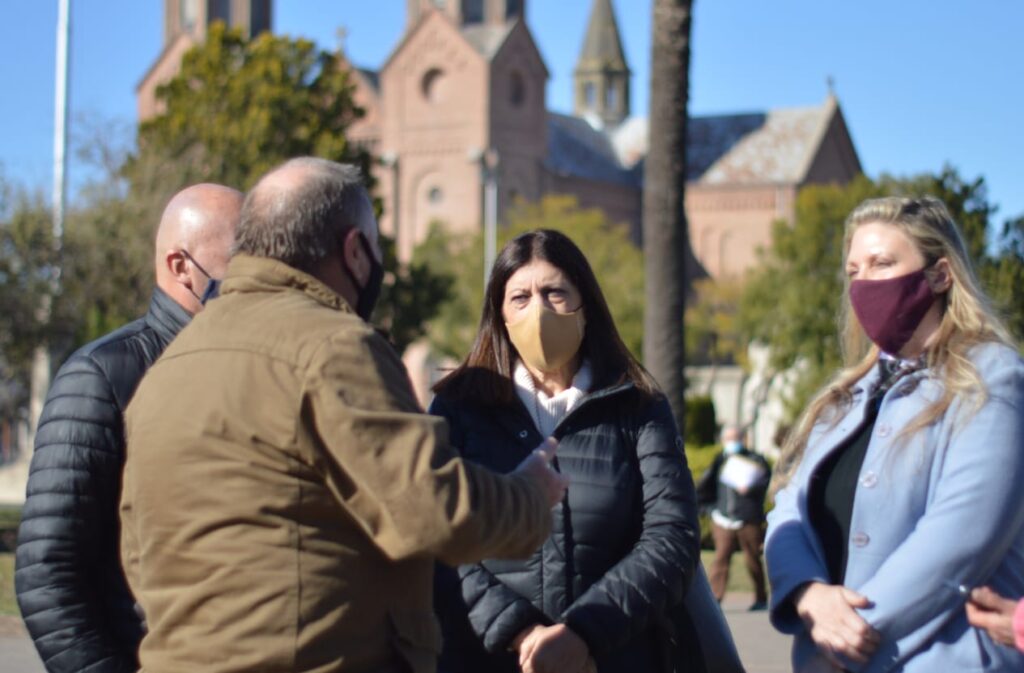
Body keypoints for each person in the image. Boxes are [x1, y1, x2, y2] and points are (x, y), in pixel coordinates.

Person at [118, 158, 567, 673]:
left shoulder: (168, 365)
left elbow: (139, 552)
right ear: (355, 252)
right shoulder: (334, 347)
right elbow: (431, 509)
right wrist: (531, 495)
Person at [764, 196, 1024, 672]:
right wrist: (808, 594)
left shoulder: (993, 376)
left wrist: (849, 638)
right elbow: (788, 511)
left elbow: (960, 538)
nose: (864, 283)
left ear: (940, 275)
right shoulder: (845, 396)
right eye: (854, 271)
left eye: (882, 264)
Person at [430, 229, 704, 673]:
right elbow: (436, 536)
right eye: (520, 297)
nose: (538, 310)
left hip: (615, 656)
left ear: (585, 305)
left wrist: (585, 633)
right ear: (498, 313)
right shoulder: (458, 408)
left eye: (555, 292)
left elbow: (672, 536)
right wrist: (521, 634)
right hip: (485, 657)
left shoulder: (637, 405)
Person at [15, 183, 242, 673]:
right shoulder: (100, 376)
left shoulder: (253, 371)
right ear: (181, 266)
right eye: (242, 255)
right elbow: (47, 571)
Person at [696, 424, 770, 609]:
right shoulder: (719, 460)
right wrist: (709, 509)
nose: (732, 442)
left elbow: (765, 482)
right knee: (721, 559)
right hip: (723, 519)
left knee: (753, 560)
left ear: (743, 439)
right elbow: (705, 487)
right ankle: (715, 599)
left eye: (735, 438)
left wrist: (751, 488)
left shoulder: (755, 460)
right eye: (728, 438)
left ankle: (761, 598)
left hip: (748, 519)